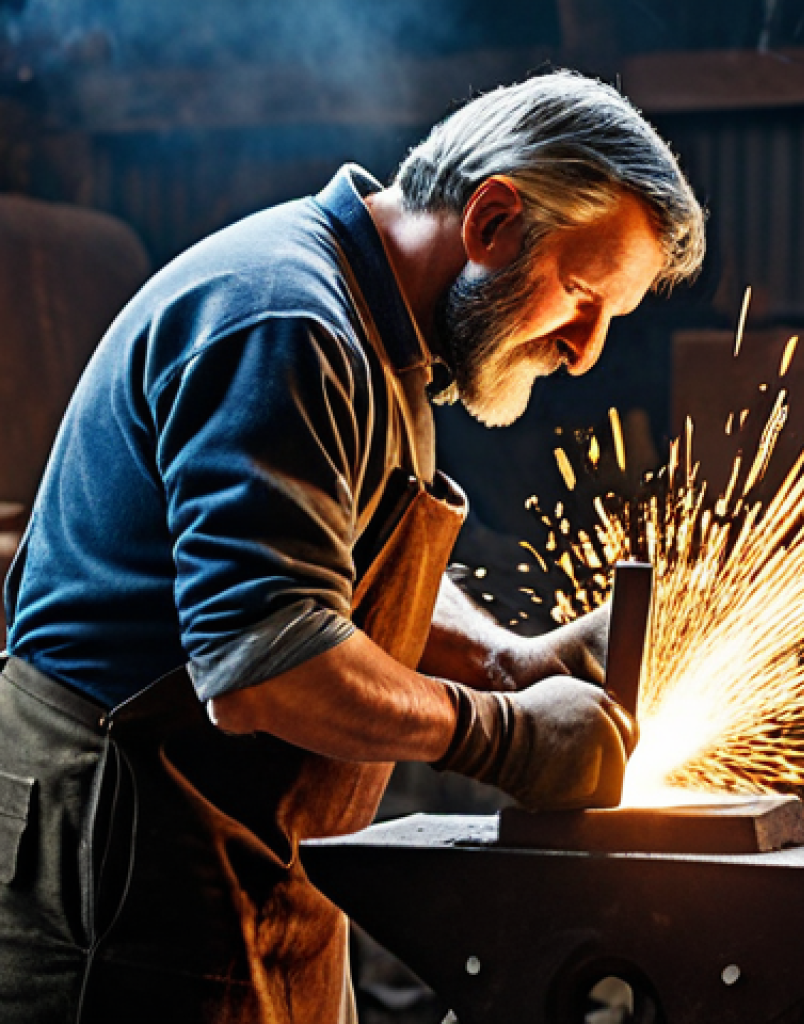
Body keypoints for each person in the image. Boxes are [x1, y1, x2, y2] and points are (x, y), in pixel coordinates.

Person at [0, 70, 704, 1023]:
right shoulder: (288, 321)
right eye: (581, 295)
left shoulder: (382, 337)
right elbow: (264, 667)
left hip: (243, 861)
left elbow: (335, 569)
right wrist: (508, 735)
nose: (583, 350)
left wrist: (506, 662)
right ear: (492, 221)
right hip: (128, 872)